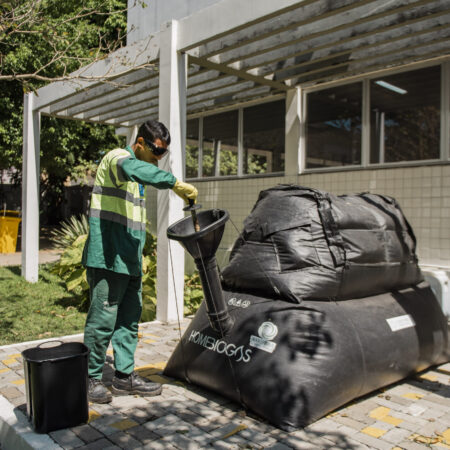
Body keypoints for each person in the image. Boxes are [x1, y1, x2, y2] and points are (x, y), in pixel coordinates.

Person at [82, 120, 197, 403]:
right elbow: (134, 168)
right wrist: (174, 183)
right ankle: (89, 378)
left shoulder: (138, 179)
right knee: (102, 321)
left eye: (164, 154)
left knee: (129, 321)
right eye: (156, 151)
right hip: (107, 255)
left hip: (129, 259)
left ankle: (123, 377)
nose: (158, 158)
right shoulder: (117, 159)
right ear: (141, 143)